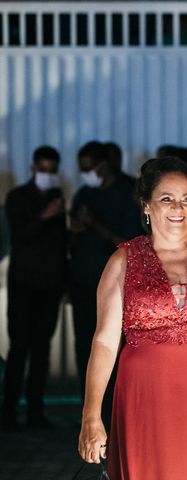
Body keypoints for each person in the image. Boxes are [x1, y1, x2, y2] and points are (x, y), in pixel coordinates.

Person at [78, 157, 187, 479]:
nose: (178, 207)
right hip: (145, 399)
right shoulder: (124, 260)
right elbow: (104, 342)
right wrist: (91, 415)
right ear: (146, 205)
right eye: (166, 199)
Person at [69, 141, 142, 404]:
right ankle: (87, 404)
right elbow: (72, 240)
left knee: (116, 345)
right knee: (84, 345)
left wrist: (96, 225)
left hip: (120, 286)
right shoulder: (84, 194)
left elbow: (133, 243)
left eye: (89, 167)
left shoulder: (129, 193)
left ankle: (116, 406)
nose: (85, 173)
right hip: (84, 281)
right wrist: (76, 230)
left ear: (104, 164)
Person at [1, 146, 67, 431]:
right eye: (43, 169)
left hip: (49, 285)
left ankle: (35, 410)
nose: (47, 175)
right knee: (19, 348)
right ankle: (9, 410)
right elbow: (18, 236)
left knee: (41, 348)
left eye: (51, 170)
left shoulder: (57, 197)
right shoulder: (18, 197)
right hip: (24, 284)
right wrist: (45, 216)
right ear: (32, 168)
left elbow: (60, 244)